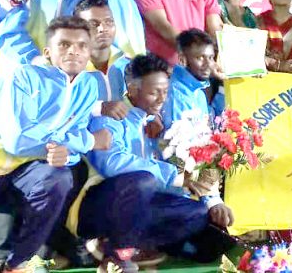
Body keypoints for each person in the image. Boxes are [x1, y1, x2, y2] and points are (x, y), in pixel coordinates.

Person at [0, 17, 110, 273]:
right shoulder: (22, 77)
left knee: (59, 178)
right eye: (64, 44)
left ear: (89, 52)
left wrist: (67, 153)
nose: (73, 51)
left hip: (25, 171)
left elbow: (70, 146)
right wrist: (87, 141)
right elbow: (17, 139)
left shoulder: (89, 85)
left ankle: (14, 262)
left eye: (81, 46)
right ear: (47, 52)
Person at [79, 54, 233, 272]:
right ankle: (117, 252)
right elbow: (112, 163)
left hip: (139, 208)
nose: (162, 99)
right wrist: (173, 175)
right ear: (132, 90)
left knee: (197, 213)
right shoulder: (110, 118)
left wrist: (210, 197)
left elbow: (175, 176)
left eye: (165, 91)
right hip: (101, 206)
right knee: (144, 181)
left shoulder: (154, 124)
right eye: (154, 92)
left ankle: (131, 245)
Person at [162, 29, 226, 130]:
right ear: (182, 59)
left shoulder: (197, 91)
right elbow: (179, 143)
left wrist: (223, 85)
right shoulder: (177, 95)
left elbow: (214, 122)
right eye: (200, 58)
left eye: (210, 58)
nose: (208, 64)